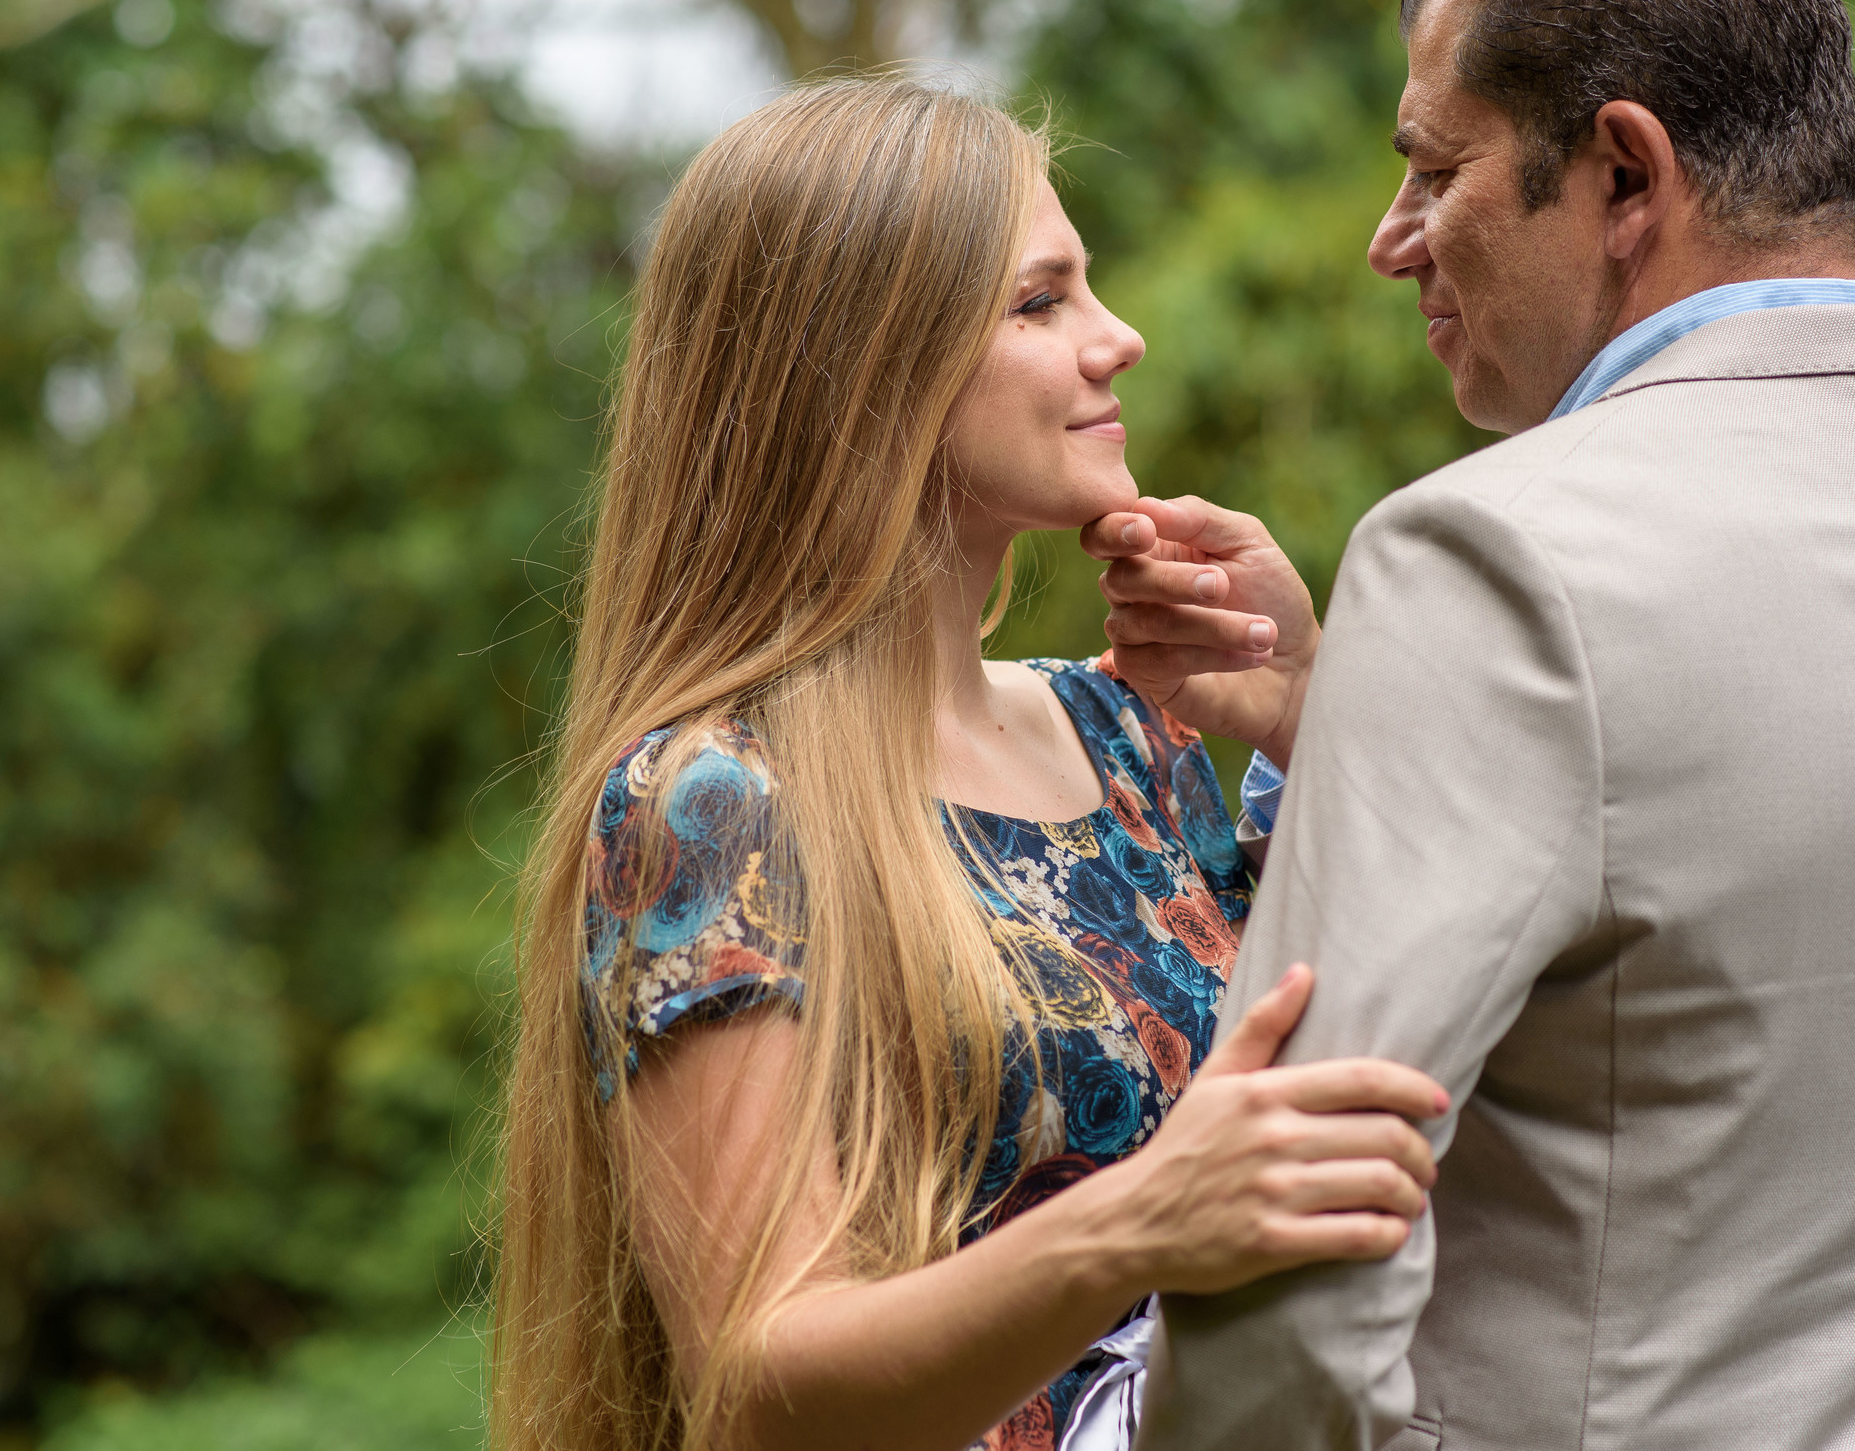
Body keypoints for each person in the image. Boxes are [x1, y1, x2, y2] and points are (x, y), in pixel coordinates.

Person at [1086, 0, 1855, 1449]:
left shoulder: (1489, 556)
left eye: (1435, 169)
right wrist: (1344, 716)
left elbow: (1285, 1265)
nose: (1394, 237)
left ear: (1623, 176)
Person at [489, 77, 1446, 1451]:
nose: (1118, 338)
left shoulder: (1127, 730)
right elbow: (758, 1384)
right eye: (1040, 301)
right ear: (863, 372)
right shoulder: (714, 801)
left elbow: (1432, 1045)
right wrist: (1144, 1217)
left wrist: (1306, 707)